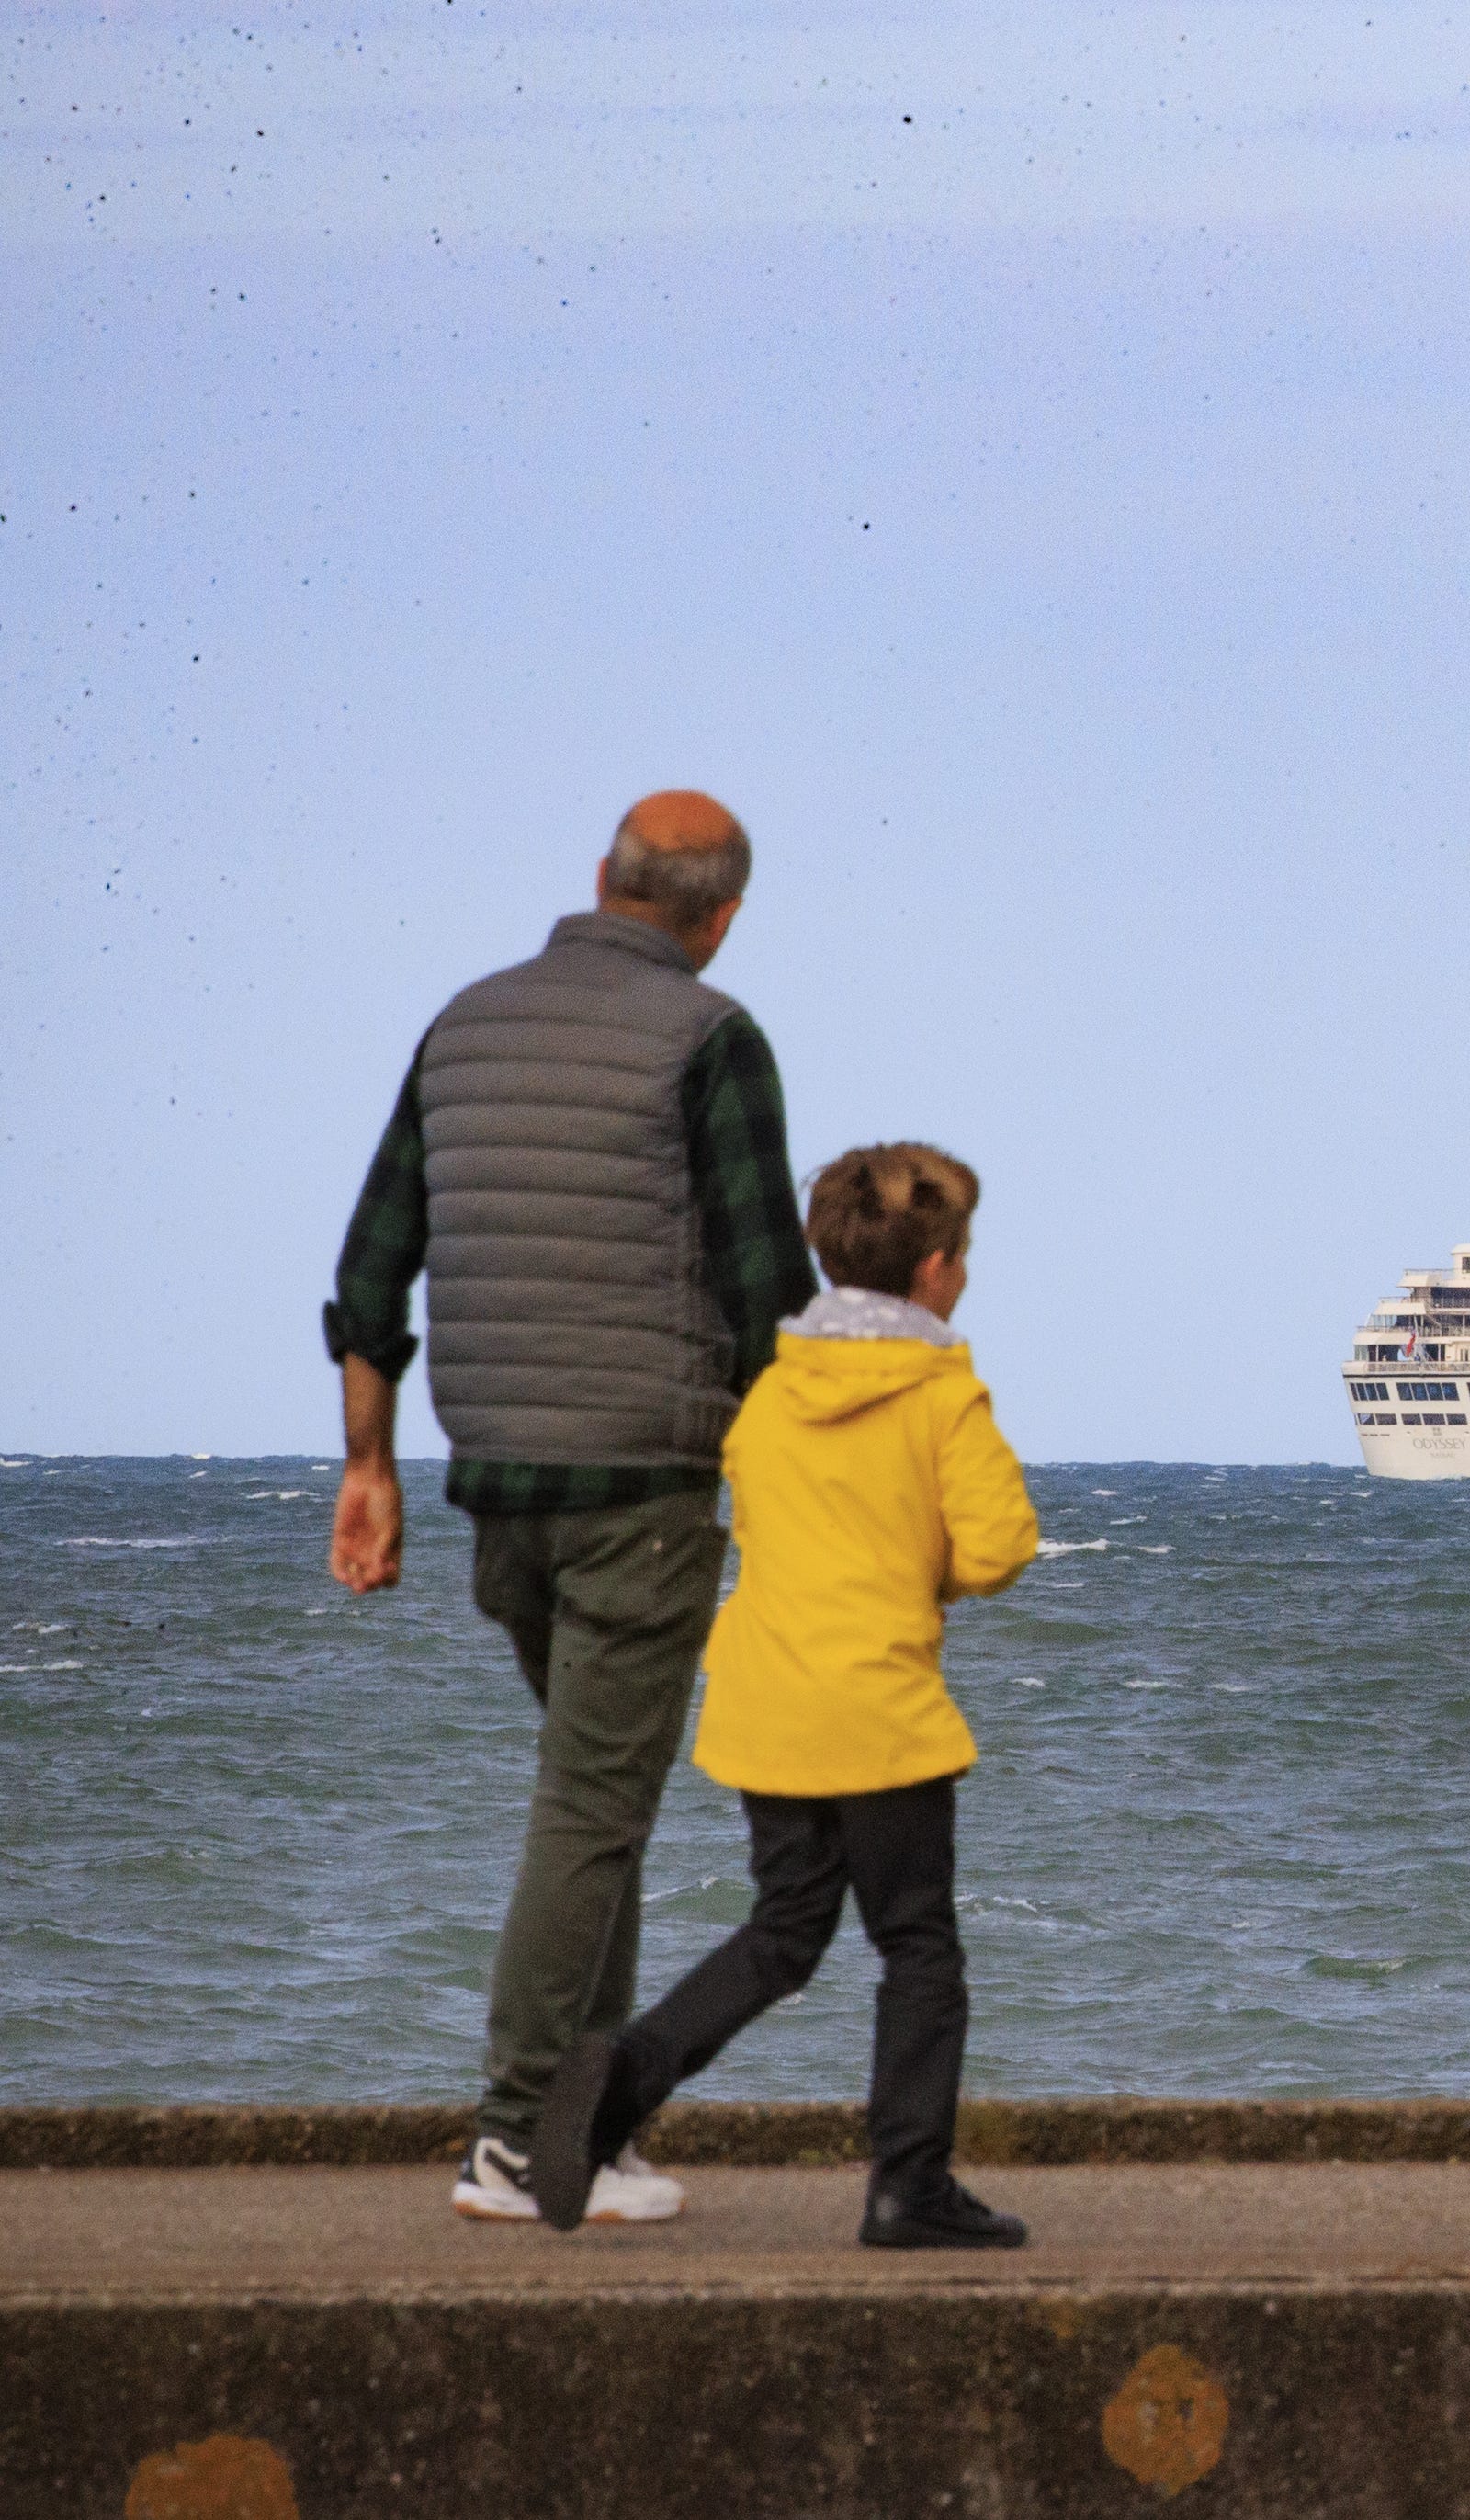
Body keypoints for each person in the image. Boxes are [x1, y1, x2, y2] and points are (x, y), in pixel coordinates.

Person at [326, 792, 813, 2225]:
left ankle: (585, 2133)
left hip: (498, 1496)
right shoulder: (712, 1039)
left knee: (598, 1811)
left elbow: (371, 1270)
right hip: (641, 1492)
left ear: (601, 879)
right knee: (593, 1808)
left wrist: (368, 1467)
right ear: (721, 919)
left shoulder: (462, 1024)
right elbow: (765, 1291)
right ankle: (516, 2136)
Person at [531, 1142, 1039, 2248]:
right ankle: (908, 2189)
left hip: (766, 1701)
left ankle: (621, 2077)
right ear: (936, 1271)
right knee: (919, 1946)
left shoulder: (768, 1392)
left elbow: (760, 1523)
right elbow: (1001, 1546)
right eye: (963, 1256)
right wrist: (924, 1567)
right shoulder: (940, 1393)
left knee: (783, 1935)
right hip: (878, 1712)